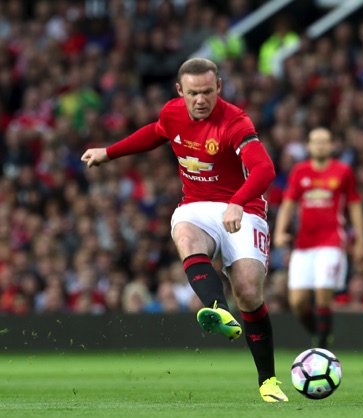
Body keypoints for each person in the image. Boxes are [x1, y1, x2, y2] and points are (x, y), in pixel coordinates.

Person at [81, 58, 288, 403]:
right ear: (180, 91)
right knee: (186, 235)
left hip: (244, 206)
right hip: (197, 204)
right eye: (193, 93)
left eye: (208, 92)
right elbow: (154, 133)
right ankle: (218, 309)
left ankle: (267, 380)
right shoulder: (172, 113)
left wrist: (238, 201)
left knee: (250, 292)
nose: (201, 100)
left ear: (219, 87)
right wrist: (109, 152)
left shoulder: (235, 121)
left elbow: (264, 169)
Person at [273, 127, 363, 349]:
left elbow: (354, 206)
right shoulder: (300, 171)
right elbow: (288, 204)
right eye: (316, 142)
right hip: (303, 244)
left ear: (332, 145)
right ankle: (319, 334)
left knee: (323, 293)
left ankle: (322, 349)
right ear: (308, 146)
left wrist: (360, 240)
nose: (321, 145)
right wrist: (279, 231)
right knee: (297, 302)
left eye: (325, 142)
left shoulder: (342, 171)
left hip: (332, 242)